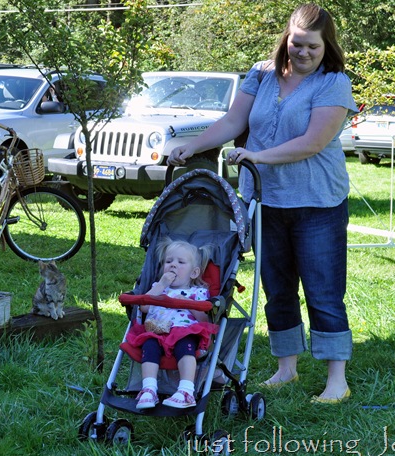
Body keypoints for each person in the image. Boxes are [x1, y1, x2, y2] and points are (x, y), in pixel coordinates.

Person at [167, 3, 358, 404]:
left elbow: (312, 142)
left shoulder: (334, 82)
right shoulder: (261, 73)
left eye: (313, 46)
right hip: (265, 201)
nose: (303, 52)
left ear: (327, 46)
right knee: (277, 287)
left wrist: (257, 156)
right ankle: (286, 368)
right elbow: (233, 123)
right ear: (286, 38)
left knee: (323, 291)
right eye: (297, 43)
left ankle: (336, 381)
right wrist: (192, 146)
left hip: (317, 202)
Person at [125, 238, 217, 409]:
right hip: (157, 331)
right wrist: (161, 284)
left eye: (181, 262)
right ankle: (149, 389)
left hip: (184, 332)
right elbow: (144, 307)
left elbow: (204, 320)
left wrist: (189, 303)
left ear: (194, 273)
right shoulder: (158, 288)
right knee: (149, 345)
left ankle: (186, 391)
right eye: (169, 261)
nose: (173, 265)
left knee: (185, 346)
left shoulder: (197, 292)